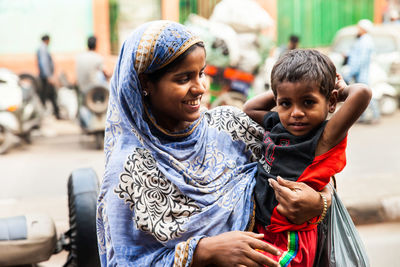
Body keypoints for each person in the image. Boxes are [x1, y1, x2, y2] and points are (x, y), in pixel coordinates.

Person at [96, 21, 333, 267]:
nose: (200, 88)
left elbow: (307, 162)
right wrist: (204, 251)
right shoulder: (127, 171)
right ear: (146, 84)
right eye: (183, 78)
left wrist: (320, 203)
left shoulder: (229, 126)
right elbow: (125, 262)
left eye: (201, 73)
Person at [243, 49, 371, 266]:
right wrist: (279, 89)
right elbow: (249, 108)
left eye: (308, 102)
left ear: (330, 102)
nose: (296, 113)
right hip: (265, 227)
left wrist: (340, 89)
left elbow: (363, 93)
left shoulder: (324, 138)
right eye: (286, 103)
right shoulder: (278, 123)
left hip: (292, 236)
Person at [343, 19, 379, 123]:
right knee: (360, 95)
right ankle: (362, 116)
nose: (357, 29)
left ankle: (376, 115)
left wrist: (351, 72)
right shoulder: (362, 40)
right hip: (359, 72)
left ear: (364, 29)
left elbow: (361, 59)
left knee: (366, 94)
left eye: (359, 27)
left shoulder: (365, 41)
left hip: (361, 73)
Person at [37, 34, 60, 119]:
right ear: (47, 40)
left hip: (45, 76)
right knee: (48, 95)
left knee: (49, 95)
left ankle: (55, 113)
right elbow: (44, 63)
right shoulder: (43, 49)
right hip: (45, 77)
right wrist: (48, 76)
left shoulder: (43, 48)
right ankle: (51, 113)